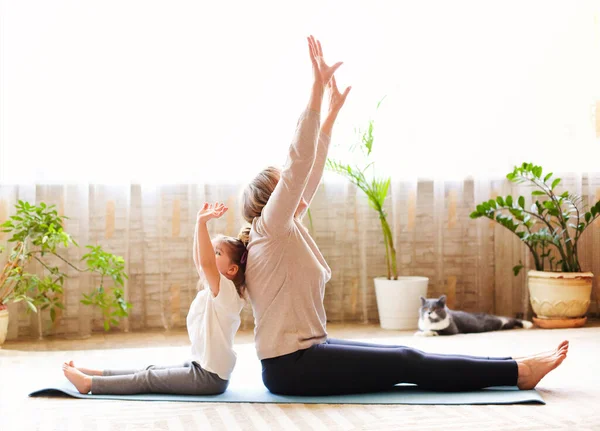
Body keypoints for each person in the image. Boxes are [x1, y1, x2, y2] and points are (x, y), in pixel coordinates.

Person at [238, 35, 568, 396]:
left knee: (408, 354)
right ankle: (518, 373)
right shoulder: (270, 228)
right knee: (406, 361)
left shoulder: (281, 230)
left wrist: (330, 117)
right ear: (272, 200)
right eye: (285, 187)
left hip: (308, 354)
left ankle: (513, 368)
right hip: (292, 368)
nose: (296, 191)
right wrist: (315, 92)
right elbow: (298, 164)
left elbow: (308, 172)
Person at [62, 202, 247, 395]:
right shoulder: (216, 289)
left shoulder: (227, 293)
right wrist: (197, 224)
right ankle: (97, 374)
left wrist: (202, 224)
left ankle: (90, 384)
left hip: (209, 378)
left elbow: (206, 263)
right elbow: (201, 262)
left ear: (232, 269)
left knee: (148, 379)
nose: (209, 254)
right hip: (202, 368)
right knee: (150, 370)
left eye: (217, 252)